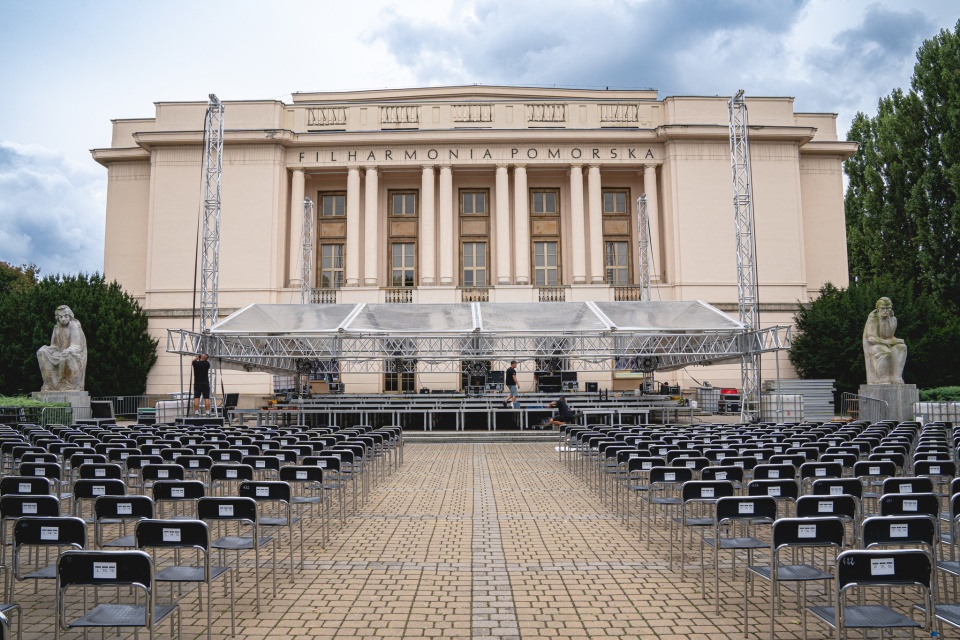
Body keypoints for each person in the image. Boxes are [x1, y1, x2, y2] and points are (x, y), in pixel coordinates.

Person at [37, 305, 88, 392]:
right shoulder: (56, 327)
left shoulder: (74, 326)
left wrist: (68, 350)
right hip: (60, 352)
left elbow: (76, 345)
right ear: (57, 318)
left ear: (70, 316)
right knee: (41, 352)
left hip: (74, 355)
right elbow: (55, 345)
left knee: (65, 356)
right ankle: (50, 383)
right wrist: (47, 349)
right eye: (60, 317)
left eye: (66, 316)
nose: (63, 319)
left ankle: (65, 384)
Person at [862, 297, 907, 384]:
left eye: (888, 308)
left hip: (887, 343)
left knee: (902, 347)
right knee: (885, 351)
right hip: (874, 345)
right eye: (883, 308)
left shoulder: (893, 319)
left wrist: (897, 340)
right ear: (878, 309)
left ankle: (896, 377)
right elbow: (871, 338)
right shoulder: (873, 319)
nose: (885, 311)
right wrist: (887, 342)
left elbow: (890, 336)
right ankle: (883, 379)